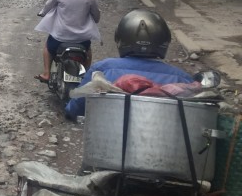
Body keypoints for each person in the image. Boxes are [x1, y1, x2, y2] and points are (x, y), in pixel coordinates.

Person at [64, 9, 194, 119]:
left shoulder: (102, 70)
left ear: (120, 39)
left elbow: (74, 109)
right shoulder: (183, 79)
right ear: (164, 41)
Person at [35, 0, 101, 82]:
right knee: (88, 51)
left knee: (48, 47)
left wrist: (42, 13)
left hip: (59, 37)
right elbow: (96, 17)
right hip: (81, 40)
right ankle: (85, 76)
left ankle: (46, 74)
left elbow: (47, 6)